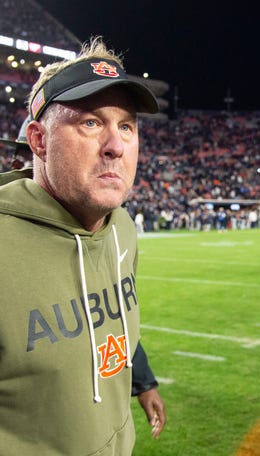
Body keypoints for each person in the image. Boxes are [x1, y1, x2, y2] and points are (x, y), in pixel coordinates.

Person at [0, 37, 166, 455]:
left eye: (126, 126)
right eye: (91, 123)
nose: (116, 145)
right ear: (38, 140)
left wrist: (141, 382)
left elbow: (109, 318)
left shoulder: (123, 228)